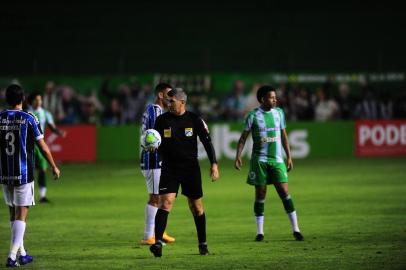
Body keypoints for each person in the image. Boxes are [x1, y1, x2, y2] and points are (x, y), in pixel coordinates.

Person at [149, 88, 219, 257]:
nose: (168, 104)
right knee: (165, 203)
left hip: (190, 169)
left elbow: (207, 142)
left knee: (196, 207)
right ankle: (158, 243)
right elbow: (155, 142)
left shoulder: (195, 119)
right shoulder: (161, 120)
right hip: (169, 168)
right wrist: (152, 148)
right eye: (167, 101)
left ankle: (203, 244)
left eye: (171, 101)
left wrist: (214, 164)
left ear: (182, 102)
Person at [1, 84, 61, 267]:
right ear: (23, 98)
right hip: (23, 173)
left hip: (5, 173)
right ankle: (12, 256)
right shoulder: (29, 118)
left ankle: (22, 253)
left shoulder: (1, 118)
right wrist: (53, 165)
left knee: (13, 214)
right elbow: (42, 146)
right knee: (21, 214)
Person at [234, 85, 304, 242]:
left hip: (277, 160)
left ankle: (296, 229)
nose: (275, 100)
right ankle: (260, 232)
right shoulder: (252, 116)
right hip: (260, 160)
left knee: (284, 192)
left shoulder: (279, 113)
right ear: (262, 99)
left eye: (275, 97)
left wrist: (289, 156)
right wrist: (238, 156)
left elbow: (284, 136)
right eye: (272, 97)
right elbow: (243, 138)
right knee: (260, 194)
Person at [140, 83, 175, 245]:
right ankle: (148, 236)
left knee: (161, 197)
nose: (171, 98)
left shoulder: (157, 111)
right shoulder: (155, 111)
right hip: (153, 160)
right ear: (160, 95)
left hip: (157, 160)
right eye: (169, 94)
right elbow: (153, 136)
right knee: (155, 197)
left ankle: (159, 231)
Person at [28, 92, 66, 203]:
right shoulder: (27, 113)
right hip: (28, 145)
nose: (39, 101)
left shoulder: (45, 113)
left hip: (40, 144)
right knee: (28, 171)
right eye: (36, 99)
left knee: (42, 170)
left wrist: (59, 132)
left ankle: (42, 196)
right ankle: (28, 195)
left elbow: (52, 126)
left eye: (40, 99)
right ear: (32, 101)